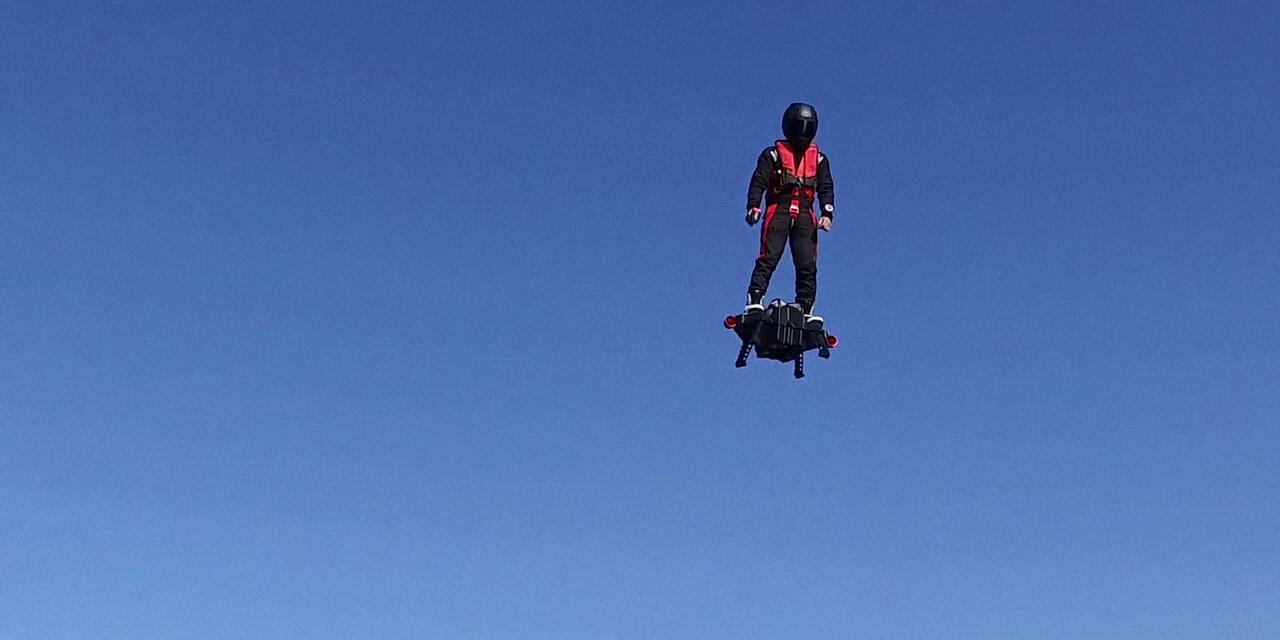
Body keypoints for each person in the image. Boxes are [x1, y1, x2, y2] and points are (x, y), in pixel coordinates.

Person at [744, 102, 835, 321]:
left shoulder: (819, 159)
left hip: (806, 212)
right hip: (779, 208)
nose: (802, 133)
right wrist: (753, 205)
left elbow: (826, 187)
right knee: (769, 256)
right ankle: (755, 298)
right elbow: (759, 179)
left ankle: (806, 307)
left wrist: (827, 212)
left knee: (807, 263)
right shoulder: (773, 155)